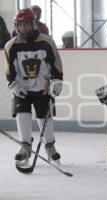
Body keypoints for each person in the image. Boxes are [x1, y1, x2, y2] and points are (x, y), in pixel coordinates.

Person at [4, 8, 63, 165]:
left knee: (45, 116)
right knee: (21, 113)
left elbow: (55, 63)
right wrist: (13, 84)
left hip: (43, 87)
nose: (23, 28)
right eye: (20, 25)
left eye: (26, 24)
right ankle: (25, 146)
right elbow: (9, 69)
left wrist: (57, 81)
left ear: (33, 23)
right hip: (22, 88)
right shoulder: (11, 45)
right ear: (16, 26)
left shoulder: (46, 41)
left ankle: (49, 146)